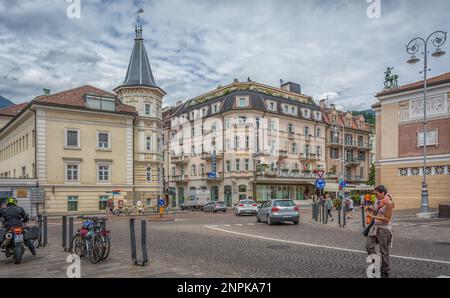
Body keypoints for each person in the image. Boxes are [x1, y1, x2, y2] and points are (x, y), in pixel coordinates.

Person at [366, 185, 395, 278]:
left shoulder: (389, 203)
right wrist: (370, 209)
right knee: (369, 246)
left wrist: (373, 217)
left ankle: (385, 269)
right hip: (375, 228)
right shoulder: (378, 202)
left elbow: (387, 219)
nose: (375, 195)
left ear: (382, 193)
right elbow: (376, 211)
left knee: (384, 251)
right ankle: (377, 263)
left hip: (384, 229)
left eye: (377, 194)